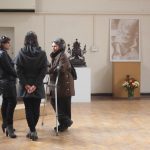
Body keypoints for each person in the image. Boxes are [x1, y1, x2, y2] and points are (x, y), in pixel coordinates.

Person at [15, 31, 47, 141]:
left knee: (28, 109)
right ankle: (33, 130)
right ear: (36, 40)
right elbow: (43, 71)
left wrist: (26, 85)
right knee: (36, 110)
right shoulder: (42, 53)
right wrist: (35, 85)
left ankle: (32, 130)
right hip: (37, 85)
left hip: (25, 86)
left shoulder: (21, 52)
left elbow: (18, 71)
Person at [49, 38, 75, 132]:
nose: (53, 48)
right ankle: (65, 122)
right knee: (57, 102)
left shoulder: (62, 55)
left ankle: (65, 123)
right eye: (52, 46)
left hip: (64, 85)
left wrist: (51, 70)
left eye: (55, 46)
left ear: (60, 46)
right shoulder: (56, 55)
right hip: (61, 85)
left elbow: (63, 68)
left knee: (63, 104)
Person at [0, 36, 17, 138]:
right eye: (8, 43)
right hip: (7, 82)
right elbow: (9, 69)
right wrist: (18, 75)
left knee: (6, 102)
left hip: (4, 82)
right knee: (12, 102)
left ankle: (5, 124)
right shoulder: (2, 54)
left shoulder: (3, 53)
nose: (9, 45)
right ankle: (9, 127)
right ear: (3, 43)